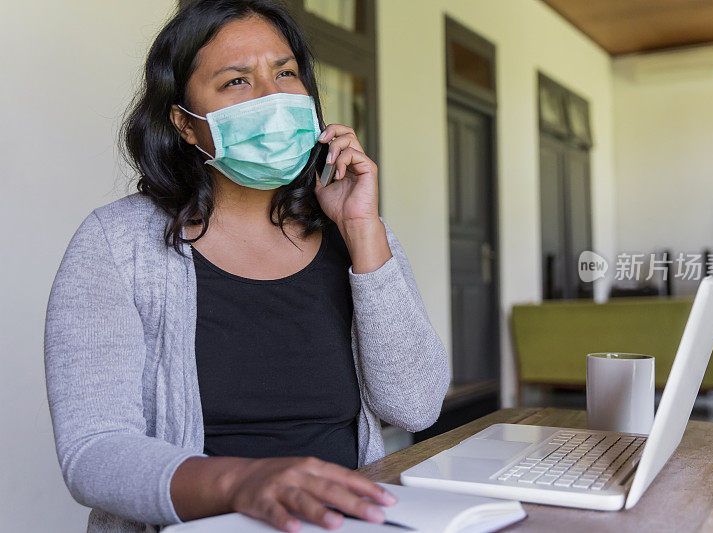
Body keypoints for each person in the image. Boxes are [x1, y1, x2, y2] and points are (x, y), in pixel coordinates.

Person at [43, 1, 450, 531]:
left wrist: (363, 232)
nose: (273, 96)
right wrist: (243, 485)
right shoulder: (118, 245)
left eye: (285, 72)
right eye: (236, 82)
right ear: (185, 124)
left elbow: (415, 407)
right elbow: (93, 452)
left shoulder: (355, 234)